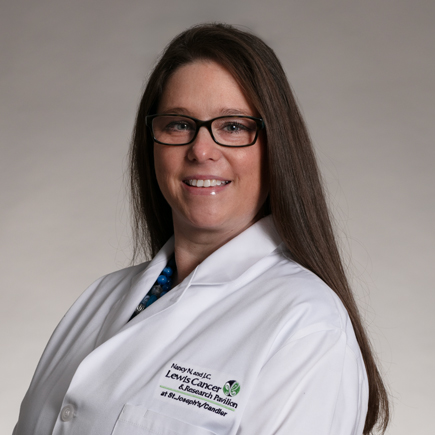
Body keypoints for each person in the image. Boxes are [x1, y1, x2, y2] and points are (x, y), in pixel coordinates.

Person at [14, 23, 389, 435]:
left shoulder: (308, 327)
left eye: (233, 126)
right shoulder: (99, 298)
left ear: (276, 146)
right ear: (152, 143)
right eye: (179, 124)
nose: (201, 150)